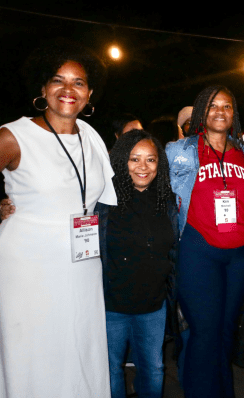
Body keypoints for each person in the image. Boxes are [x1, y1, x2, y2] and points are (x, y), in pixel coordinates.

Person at [0, 40, 116, 396]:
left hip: (81, 259)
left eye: (78, 82)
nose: (68, 89)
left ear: (89, 92)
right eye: (58, 80)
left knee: (79, 343)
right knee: (33, 346)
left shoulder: (92, 137)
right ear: (43, 89)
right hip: (28, 261)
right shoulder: (14, 135)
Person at [166, 85, 244, 398]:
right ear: (201, 111)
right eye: (213, 105)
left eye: (227, 106)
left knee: (225, 332)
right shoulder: (178, 151)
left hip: (241, 255)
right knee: (204, 332)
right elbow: (142, 181)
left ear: (234, 114)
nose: (220, 111)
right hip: (199, 251)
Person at [97, 130, 178, 398]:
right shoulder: (103, 202)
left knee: (154, 369)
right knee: (111, 370)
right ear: (122, 162)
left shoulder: (166, 201)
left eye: (151, 160)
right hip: (111, 307)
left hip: (153, 306)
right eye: (135, 159)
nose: (143, 167)